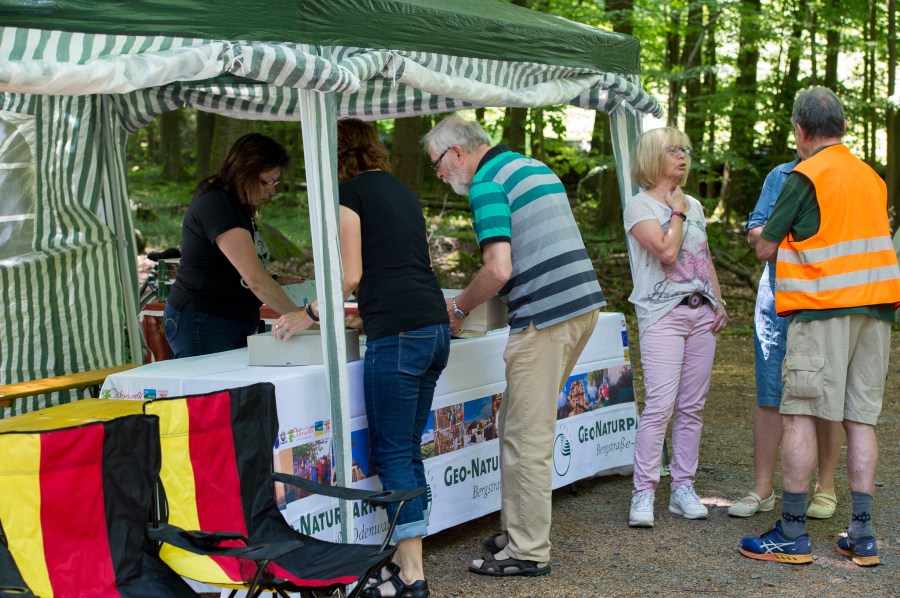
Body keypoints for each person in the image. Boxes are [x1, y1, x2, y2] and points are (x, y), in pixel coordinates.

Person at [276, 118, 449, 598]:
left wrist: (308, 313)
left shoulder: (349, 194)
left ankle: (411, 575)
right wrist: (368, 318)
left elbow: (350, 275)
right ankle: (403, 560)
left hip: (400, 336)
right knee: (407, 447)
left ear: (333, 156)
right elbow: (405, 264)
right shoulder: (402, 192)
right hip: (433, 326)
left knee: (393, 452)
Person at [423, 116, 603, 577]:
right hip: (580, 306)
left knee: (526, 436)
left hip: (545, 317)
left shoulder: (486, 183)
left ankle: (528, 550)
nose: (439, 176)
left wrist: (459, 308)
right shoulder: (531, 166)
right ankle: (518, 528)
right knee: (517, 424)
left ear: (457, 152)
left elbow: (499, 269)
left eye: (438, 165)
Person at [740, 86, 900, 567]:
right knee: (861, 419)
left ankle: (791, 532)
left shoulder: (805, 175)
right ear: (843, 127)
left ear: (800, 130)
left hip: (822, 307)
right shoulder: (872, 178)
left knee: (801, 413)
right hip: (876, 312)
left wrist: (777, 237)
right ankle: (862, 536)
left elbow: (765, 246)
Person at [623, 127, 728, 528]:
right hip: (663, 315)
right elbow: (667, 252)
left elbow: (704, 258)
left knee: (692, 407)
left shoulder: (695, 205)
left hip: (701, 314)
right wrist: (678, 212)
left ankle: (683, 488)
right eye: (673, 150)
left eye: (685, 149)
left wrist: (718, 300)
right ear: (652, 157)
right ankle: (644, 492)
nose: (682, 156)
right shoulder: (640, 206)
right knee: (660, 406)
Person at [728, 155, 843, 519]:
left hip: (825, 297)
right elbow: (756, 233)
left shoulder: (843, 174)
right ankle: (762, 488)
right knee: (769, 390)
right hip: (776, 295)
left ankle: (825, 488)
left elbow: (839, 243)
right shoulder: (780, 175)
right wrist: (797, 241)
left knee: (824, 391)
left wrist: (782, 237)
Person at [164, 133, 304, 358]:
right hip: (204, 321)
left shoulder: (235, 201)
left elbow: (231, 267)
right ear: (244, 171)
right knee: (211, 383)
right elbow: (255, 280)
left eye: (276, 181)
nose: (272, 191)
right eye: (267, 181)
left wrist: (275, 279)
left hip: (227, 319)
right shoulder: (218, 205)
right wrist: (304, 320)